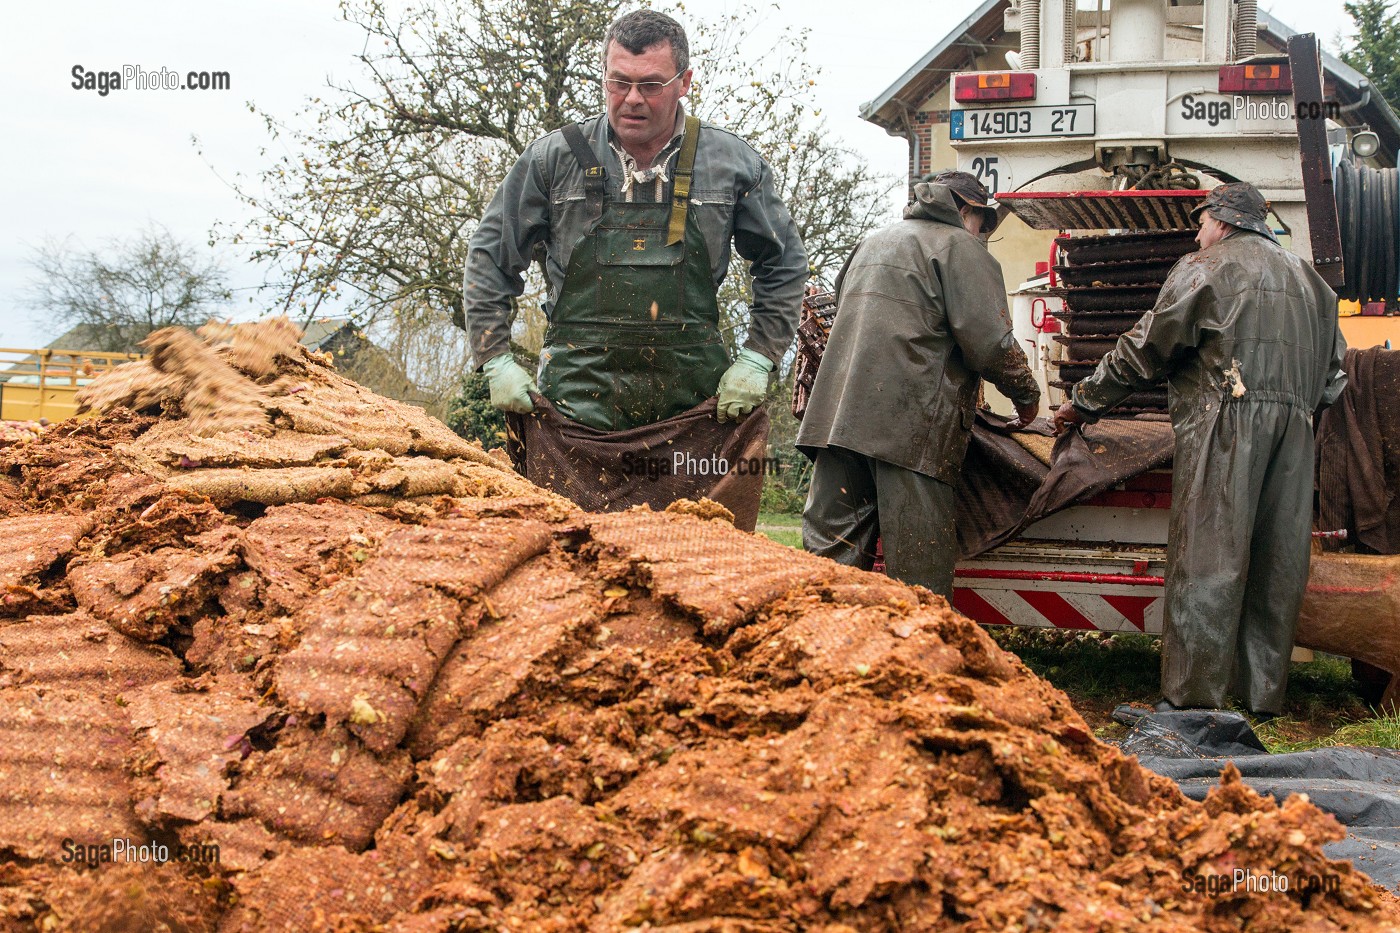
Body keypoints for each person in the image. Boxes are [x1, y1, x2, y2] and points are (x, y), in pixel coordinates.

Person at [1053, 182, 1347, 717]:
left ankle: (1192, 703)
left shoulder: (1204, 267)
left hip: (1226, 422)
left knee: (1209, 558)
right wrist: (1291, 407)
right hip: (1297, 428)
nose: (1197, 234)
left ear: (1222, 220)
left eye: (1200, 223)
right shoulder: (1312, 283)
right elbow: (1335, 379)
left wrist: (1083, 403)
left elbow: (1146, 348)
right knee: (1276, 563)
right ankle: (1261, 697)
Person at [462, 9, 806, 435]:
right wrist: (494, 358)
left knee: (696, 507)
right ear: (604, 77)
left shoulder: (732, 164)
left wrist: (759, 356)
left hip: (694, 406)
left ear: (684, 82)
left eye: (651, 85)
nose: (632, 98)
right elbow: (489, 258)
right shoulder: (553, 160)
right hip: (574, 404)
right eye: (619, 82)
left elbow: (784, 263)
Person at [797, 172, 1041, 597]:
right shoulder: (960, 247)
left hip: (837, 422)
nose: (982, 235)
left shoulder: (874, 240)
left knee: (827, 569)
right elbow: (990, 343)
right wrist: (1027, 395)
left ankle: (818, 655)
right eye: (983, 225)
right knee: (918, 578)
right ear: (967, 210)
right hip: (909, 428)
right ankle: (923, 658)